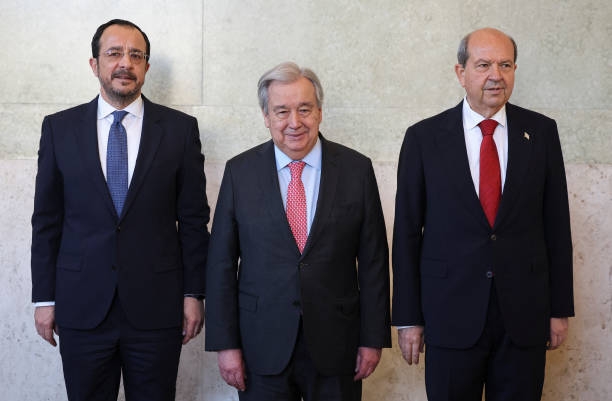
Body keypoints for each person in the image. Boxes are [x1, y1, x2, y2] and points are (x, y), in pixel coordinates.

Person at [30, 19, 210, 401]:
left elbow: (194, 220)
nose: (125, 63)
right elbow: (46, 221)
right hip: (81, 307)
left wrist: (194, 292)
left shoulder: (179, 131)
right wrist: (44, 298)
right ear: (94, 64)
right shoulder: (59, 129)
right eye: (114, 53)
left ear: (146, 67)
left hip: (157, 308)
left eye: (136, 55)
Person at [392, 27, 574, 401]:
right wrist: (408, 317)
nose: (496, 75)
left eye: (505, 65)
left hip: (523, 315)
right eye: (484, 65)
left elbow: (557, 226)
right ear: (461, 73)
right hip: (449, 313)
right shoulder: (423, 138)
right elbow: (407, 233)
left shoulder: (541, 132)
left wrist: (559, 309)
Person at [204, 61, 390, 401]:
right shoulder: (240, 172)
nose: (294, 122)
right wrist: (225, 344)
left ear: (319, 112)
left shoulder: (356, 170)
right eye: (282, 111)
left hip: (338, 345)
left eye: (304, 109)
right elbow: (221, 265)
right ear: (266, 116)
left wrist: (372, 338)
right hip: (261, 345)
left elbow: (374, 261)